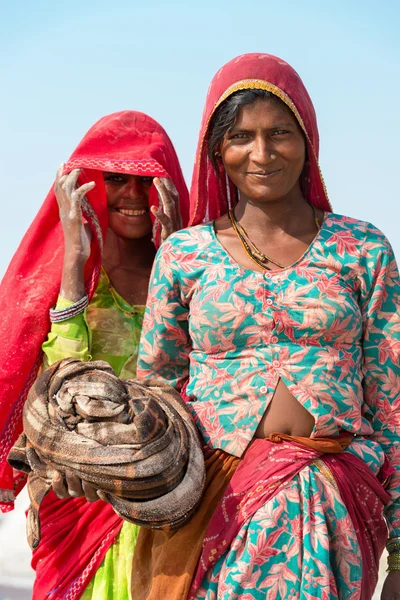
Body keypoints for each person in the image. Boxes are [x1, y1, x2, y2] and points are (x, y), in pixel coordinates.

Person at [135, 54, 400, 599]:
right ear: (216, 151)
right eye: (241, 137)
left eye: (279, 132)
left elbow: (392, 403)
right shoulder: (185, 256)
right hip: (218, 507)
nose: (261, 153)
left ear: (308, 140)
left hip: (337, 502)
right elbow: (154, 391)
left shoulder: (362, 249)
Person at [0, 110, 189, 599]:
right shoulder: (82, 276)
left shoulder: (196, 274)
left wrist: (173, 266)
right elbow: (60, 377)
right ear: (91, 187)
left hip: (167, 494)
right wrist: (73, 264)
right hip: (77, 497)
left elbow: (192, 372)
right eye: (116, 179)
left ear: (169, 190)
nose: (133, 195)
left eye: (147, 182)